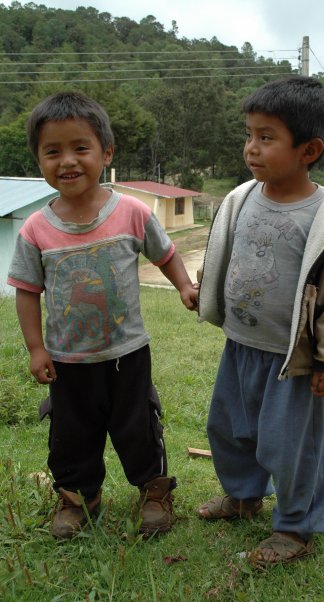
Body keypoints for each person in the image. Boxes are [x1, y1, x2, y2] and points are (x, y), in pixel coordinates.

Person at [7, 91, 198, 539]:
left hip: (127, 352)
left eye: (80, 148)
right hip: (68, 360)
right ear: (38, 159)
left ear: (106, 153)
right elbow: (27, 292)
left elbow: (165, 253)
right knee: (71, 432)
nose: (67, 161)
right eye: (52, 151)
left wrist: (186, 286)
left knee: (137, 424)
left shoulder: (131, 212)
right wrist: (37, 348)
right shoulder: (36, 229)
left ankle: (154, 491)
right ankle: (77, 497)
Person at [196, 76, 324, 567]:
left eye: (266, 137)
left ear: (309, 149)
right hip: (241, 344)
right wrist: (208, 289)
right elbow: (230, 255)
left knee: (291, 446)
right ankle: (244, 497)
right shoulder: (242, 198)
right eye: (249, 134)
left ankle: (296, 527)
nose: (251, 148)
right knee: (228, 429)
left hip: (294, 360)